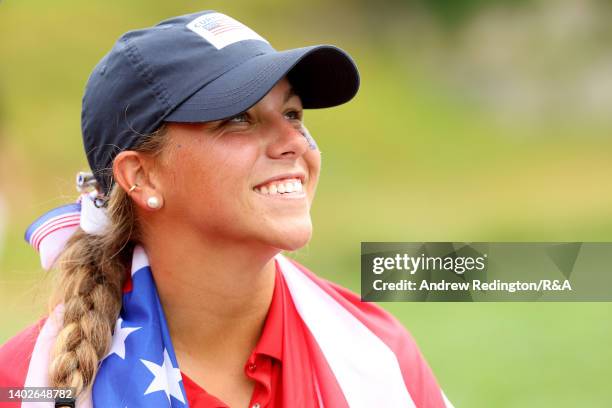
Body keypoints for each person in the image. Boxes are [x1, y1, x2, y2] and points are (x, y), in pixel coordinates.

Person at [0, 10, 453, 408]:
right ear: (141, 176)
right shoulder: (26, 385)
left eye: (293, 113)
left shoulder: (375, 351)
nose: (295, 141)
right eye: (239, 117)